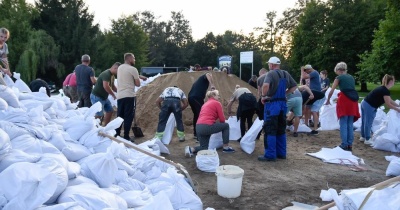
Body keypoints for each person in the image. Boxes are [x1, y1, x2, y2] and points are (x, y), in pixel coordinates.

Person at [258, 56, 297, 161]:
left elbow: (265, 85)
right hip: (283, 105)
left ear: (271, 64)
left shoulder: (270, 73)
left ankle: (270, 155)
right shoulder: (286, 73)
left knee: (270, 129)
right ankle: (281, 153)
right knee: (281, 129)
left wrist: (263, 96)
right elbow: (294, 86)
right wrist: (285, 93)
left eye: (269, 64)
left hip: (272, 104)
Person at [184, 90, 235, 157]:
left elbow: (207, 116)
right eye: (218, 95)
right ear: (213, 96)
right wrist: (220, 126)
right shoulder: (217, 103)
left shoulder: (205, 104)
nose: (219, 97)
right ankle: (226, 147)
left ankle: (191, 149)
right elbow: (222, 119)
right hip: (206, 126)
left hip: (198, 127)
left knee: (204, 147)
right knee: (226, 126)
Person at [325, 62, 360, 151]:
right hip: (353, 101)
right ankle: (350, 144)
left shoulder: (339, 78)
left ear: (338, 70)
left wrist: (328, 100)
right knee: (350, 123)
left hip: (344, 100)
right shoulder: (351, 77)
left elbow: (331, 90)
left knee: (343, 123)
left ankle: (344, 144)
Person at [115, 53, 147, 141]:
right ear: (129, 59)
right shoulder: (133, 69)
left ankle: (117, 134)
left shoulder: (120, 68)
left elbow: (127, 74)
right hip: (129, 95)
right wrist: (137, 78)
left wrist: (139, 76)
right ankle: (126, 136)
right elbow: (138, 83)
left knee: (120, 115)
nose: (134, 60)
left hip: (120, 95)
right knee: (128, 116)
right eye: (134, 58)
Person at [360, 74, 400, 145]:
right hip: (369, 105)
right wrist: (397, 109)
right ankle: (367, 139)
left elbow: (390, 100)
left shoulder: (383, 88)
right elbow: (388, 104)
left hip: (364, 103)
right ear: (390, 82)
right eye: (393, 81)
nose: (394, 83)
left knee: (364, 121)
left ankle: (363, 136)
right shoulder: (385, 91)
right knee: (368, 122)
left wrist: (398, 105)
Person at [188, 71, 215, 139]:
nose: (211, 77)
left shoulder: (200, 82)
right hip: (196, 97)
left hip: (191, 97)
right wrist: (212, 84)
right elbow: (208, 74)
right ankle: (199, 135)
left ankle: (196, 133)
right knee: (201, 115)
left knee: (197, 115)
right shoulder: (204, 77)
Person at [301, 64, 324, 135]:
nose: (306, 72)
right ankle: (306, 124)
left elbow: (303, 77)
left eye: (306, 71)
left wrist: (302, 70)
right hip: (312, 93)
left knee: (314, 111)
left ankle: (315, 129)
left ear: (309, 69)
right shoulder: (314, 73)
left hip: (317, 94)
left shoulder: (314, 72)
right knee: (307, 108)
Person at [256, 68, 268, 139]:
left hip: (263, 99)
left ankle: (259, 133)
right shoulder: (274, 76)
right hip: (273, 100)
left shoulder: (260, 79)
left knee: (261, 117)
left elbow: (259, 91)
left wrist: (260, 98)